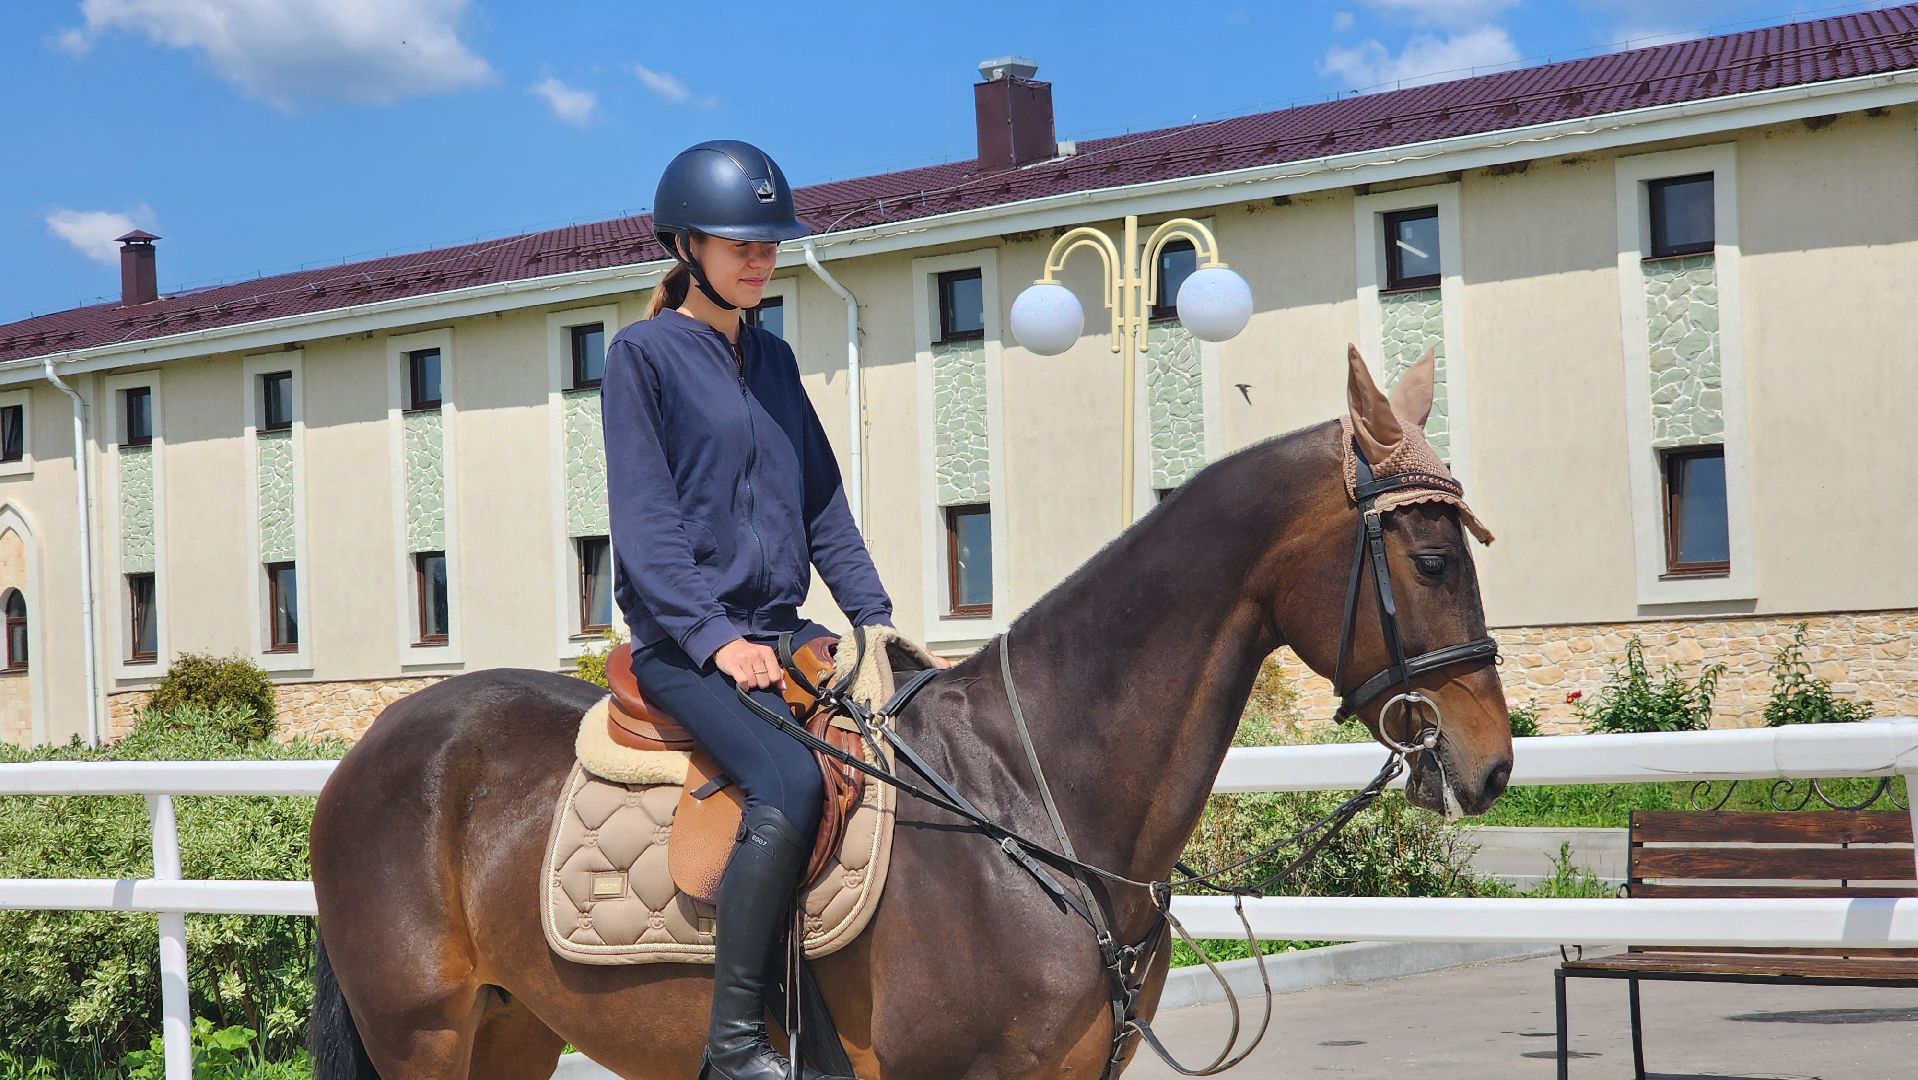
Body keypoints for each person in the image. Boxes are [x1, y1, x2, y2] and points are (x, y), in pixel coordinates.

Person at [602, 139, 943, 1080]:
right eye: (740, 243)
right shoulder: (642, 358)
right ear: (687, 245)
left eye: (770, 244)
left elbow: (822, 503)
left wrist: (875, 624)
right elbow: (645, 525)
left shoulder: (777, 361)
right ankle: (736, 1046)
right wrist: (714, 640)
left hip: (784, 635)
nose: (761, 259)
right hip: (683, 643)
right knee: (789, 786)